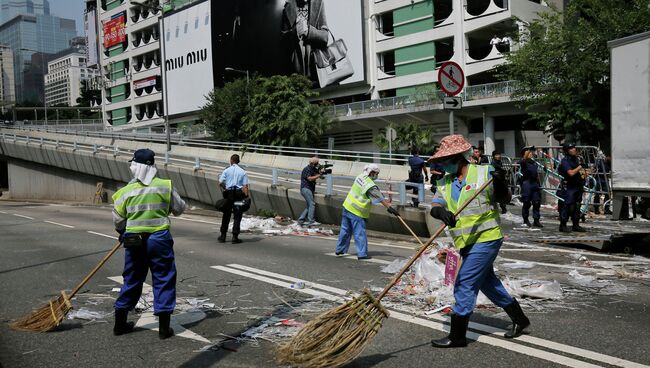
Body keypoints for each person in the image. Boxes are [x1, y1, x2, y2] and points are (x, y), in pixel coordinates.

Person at [428, 135, 530, 348]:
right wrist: (441, 213)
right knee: (487, 283)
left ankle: (457, 336)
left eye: (446, 159)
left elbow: (504, 199)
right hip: (466, 242)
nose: (443, 164)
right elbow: (435, 205)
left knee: (465, 282)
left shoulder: (484, 173)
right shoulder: (445, 182)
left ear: (458, 157)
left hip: (487, 238)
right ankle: (520, 320)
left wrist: (501, 182)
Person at [112, 148, 186, 339]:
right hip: (159, 239)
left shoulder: (126, 191)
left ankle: (119, 325)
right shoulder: (164, 186)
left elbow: (118, 220)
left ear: (135, 166)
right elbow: (179, 208)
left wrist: (123, 232)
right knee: (163, 278)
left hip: (133, 240)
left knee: (132, 278)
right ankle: (163, 328)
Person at [335, 164, 398, 260]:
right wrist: (390, 208)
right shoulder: (370, 185)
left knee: (345, 230)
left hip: (347, 206)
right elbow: (380, 198)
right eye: (376, 173)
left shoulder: (360, 177)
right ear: (372, 173)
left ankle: (340, 249)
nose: (377, 175)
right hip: (357, 212)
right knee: (359, 233)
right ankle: (362, 254)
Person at [281, 0, 329, 84]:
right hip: (295, 67)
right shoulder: (287, 7)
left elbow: (325, 37)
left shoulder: (319, 3)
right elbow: (283, 42)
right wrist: (295, 32)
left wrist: (308, 31)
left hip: (316, 66)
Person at [218, 154, 250, 244]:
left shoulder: (227, 170)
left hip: (229, 195)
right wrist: (246, 197)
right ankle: (235, 237)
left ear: (231, 161)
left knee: (226, 214)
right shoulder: (243, 172)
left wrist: (225, 188)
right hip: (239, 195)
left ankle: (223, 236)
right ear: (238, 161)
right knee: (237, 215)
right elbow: (245, 186)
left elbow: (220, 182)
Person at [557, 143, 587, 233]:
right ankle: (563, 225)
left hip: (578, 186)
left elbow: (581, 173)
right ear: (566, 151)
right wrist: (580, 167)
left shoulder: (576, 160)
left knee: (577, 206)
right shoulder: (565, 161)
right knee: (569, 206)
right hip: (569, 186)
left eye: (574, 148)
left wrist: (585, 174)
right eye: (571, 148)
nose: (574, 149)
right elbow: (570, 173)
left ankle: (576, 225)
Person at [519, 146, 543, 227]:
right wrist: (529, 150)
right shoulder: (523, 162)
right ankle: (526, 220)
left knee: (536, 202)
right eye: (528, 153)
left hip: (535, 184)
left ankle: (536, 220)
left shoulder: (534, 162)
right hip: (527, 184)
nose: (530, 154)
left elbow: (536, 174)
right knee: (526, 203)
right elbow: (524, 159)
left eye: (530, 153)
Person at [298, 156, 321, 226]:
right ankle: (311, 221)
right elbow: (310, 179)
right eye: (317, 163)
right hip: (306, 188)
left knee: (309, 205)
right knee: (312, 204)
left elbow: (321, 176)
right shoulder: (307, 169)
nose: (317, 164)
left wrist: (322, 172)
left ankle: (301, 220)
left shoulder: (313, 169)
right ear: (313, 163)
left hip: (309, 189)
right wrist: (319, 175)